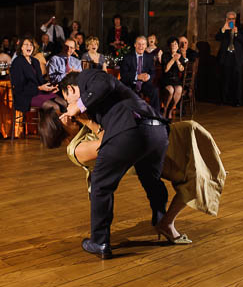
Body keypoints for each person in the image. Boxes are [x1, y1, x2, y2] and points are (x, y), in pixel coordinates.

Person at [39, 109, 226, 245]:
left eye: (61, 112)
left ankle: (167, 221)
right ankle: (166, 223)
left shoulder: (80, 128)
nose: (65, 114)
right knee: (193, 172)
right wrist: (89, 122)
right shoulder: (76, 149)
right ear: (57, 129)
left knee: (193, 135)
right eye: (60, 116)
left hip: (145, 142)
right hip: (142, 154)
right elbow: (112, 142)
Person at [57, 69, 169, 259]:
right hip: (157, 132)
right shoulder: (101, 100)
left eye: (68, 100)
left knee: (100, 184)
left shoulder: (87, 77)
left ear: (70, 88)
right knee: (151, 179)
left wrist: (77, 106)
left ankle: (99, 242)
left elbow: (105, 84)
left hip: (130, 131)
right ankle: (162, 220)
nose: (70, 105)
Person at [10, 37, 60, 113]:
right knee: (55, 107)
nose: (29, 47)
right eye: (26, 44)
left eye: (31, 45)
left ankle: (61, 124)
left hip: (38, 92)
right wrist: (39, 88)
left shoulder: (35, 61)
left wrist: (50, 87)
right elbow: (19, 86)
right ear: (21, 47)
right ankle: (50, 125)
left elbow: (40, 80)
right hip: (25, 96)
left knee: (63, 103)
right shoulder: (17, 62)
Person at [215, 11, 243, 106]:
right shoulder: (224, 29)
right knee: (225, 79)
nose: (231, 20)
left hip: (237, 58)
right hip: (226, 57)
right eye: (229, 19)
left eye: (233, 19)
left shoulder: (240, 29)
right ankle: (224, 100)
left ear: (236, 20)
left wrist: (236, 33)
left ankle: (238, 101)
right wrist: (224, 29)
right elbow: (217, 38)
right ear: (226, 19)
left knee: (238, 80)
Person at [119, 36, 160, 109]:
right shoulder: (127, 57)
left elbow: (153, 72)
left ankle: (155, 116)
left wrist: (148, 76)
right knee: (127, 92)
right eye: (139, 44)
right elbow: (124, 75)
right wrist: (137, 77)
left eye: (143, 44)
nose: (141, 46)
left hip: (144, 83)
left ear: (146, 46)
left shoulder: (149, 57)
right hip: (131, 83)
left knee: (155, 91)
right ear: (135, 45)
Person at [161, 37, 186, 119]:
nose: (174, 46)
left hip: (175, 79)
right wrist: (173, 59)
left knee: (179, 89)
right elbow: (166, 69)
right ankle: (165, 108)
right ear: (169, 46)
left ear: (178, 46)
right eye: (172, 44)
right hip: (166, 79)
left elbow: (181, 69)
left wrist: (178, 60)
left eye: (175, 44)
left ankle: (171, 109)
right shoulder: (165, 55)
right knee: (171, 90)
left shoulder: (180, 55)